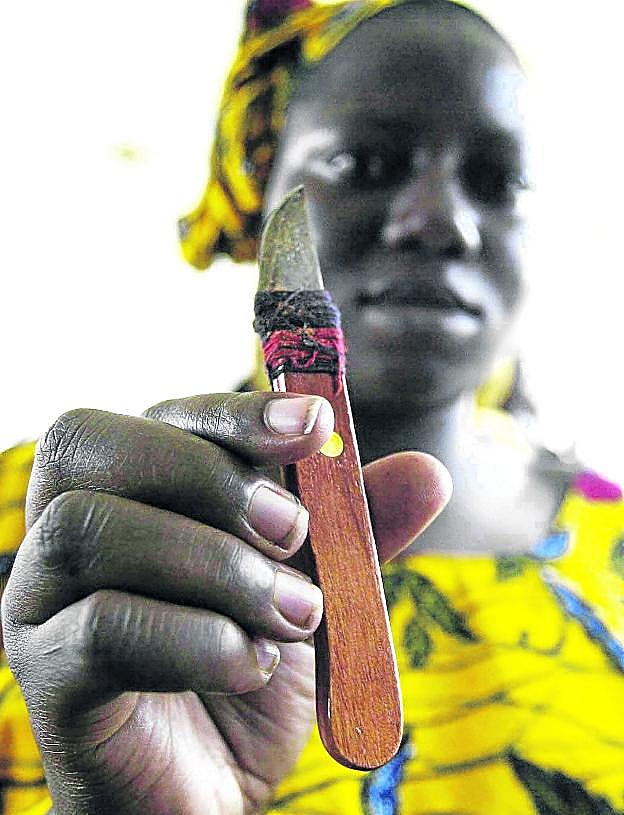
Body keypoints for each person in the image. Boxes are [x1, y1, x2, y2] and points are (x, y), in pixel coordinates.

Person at [2, 1, 624, 813]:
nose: (440, 220)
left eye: (499, 180)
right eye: (364, 162)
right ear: (262, 185)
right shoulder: (46, 531)